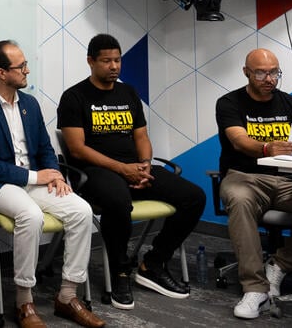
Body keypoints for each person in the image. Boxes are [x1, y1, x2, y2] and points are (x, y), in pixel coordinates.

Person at [58, 34, 204, 311]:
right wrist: (123, 170)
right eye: (106, 61)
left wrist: (145, 165)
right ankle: (120, 271)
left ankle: (154, 262)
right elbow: (76, 150)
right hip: (95, 171)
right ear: (90, 61)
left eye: (117, 60)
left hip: (134, 168)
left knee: (194, 196)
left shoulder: (128, 93)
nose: (114, 66)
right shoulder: (74, 97)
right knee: (117, 201)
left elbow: (142, 136)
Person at [0, 41, 104, 328]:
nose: (27, 70)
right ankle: (24, 301)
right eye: (21, 66)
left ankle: (67, 296)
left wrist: (54, 173)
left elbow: (44, 148)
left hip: (36, 179)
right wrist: (34, 177)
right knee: (31, 215)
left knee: (81, 210)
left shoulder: (30, 103)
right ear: (2, 73)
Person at [215, 48, 292, 320]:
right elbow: (238, 141)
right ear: (246, 72)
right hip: (245, 177)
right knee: (240, 201)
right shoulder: (229, 103)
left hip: (289, 181)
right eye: (261, 72)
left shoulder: (291, 104)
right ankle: (255, 288)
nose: (269, 79)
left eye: (274, 72)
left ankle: (279, 266)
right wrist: (267, 148)